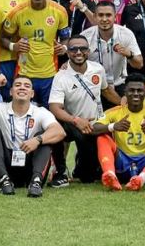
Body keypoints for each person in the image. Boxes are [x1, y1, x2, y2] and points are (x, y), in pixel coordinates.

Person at [0, 75, 66, 197]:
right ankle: (4, 180)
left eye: (27, 86)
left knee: (44, 137)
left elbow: (60, 132)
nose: (22, 88)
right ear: (11, 92)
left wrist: (37, 140)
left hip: (30, 165)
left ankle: (36, 182)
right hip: (6, 165)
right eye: (18, 85)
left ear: (32, 94)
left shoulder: (41, 112)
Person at [48, 35, 122, 186]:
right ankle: (60, 172)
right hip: (72, 123)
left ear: (88, 51)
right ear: (68, 52)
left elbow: (106, 91)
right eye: (74, 49)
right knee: (55, 127)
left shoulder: (97, 69)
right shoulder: (61, 76)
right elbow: (55, 108)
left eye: (82, 48)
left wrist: (123, 102)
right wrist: (76, 120)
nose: (78, 52)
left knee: (88, 178)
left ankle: (81, 166)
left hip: (95, 125)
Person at [91, 73, 145, 191]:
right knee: (102, 137)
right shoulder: (114, 112)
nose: (136, 94)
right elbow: (94, 129)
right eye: (131, 90)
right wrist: (113, 126)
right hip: (121, 161)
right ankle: (110, 174)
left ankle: (141, 179)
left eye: (139, 90)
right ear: (125, 93)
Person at [2, 0, 70, 107]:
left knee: (48, 114)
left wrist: (64, 48)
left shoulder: (60, 11)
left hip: (50, 74)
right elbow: (3, 37)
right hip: (24, 73)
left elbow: (65, 38)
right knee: (24, 112)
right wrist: (13, 46)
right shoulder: (17, 12)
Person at [80, 1, 143, 106]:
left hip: (119, 83)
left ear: (115, 17)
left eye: (108, 15)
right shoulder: (86, 37)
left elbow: (139, 64)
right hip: (94, 84)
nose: (104, 19)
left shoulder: (126, 34)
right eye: (100, 15)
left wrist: (129, 54)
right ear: (95, 17)